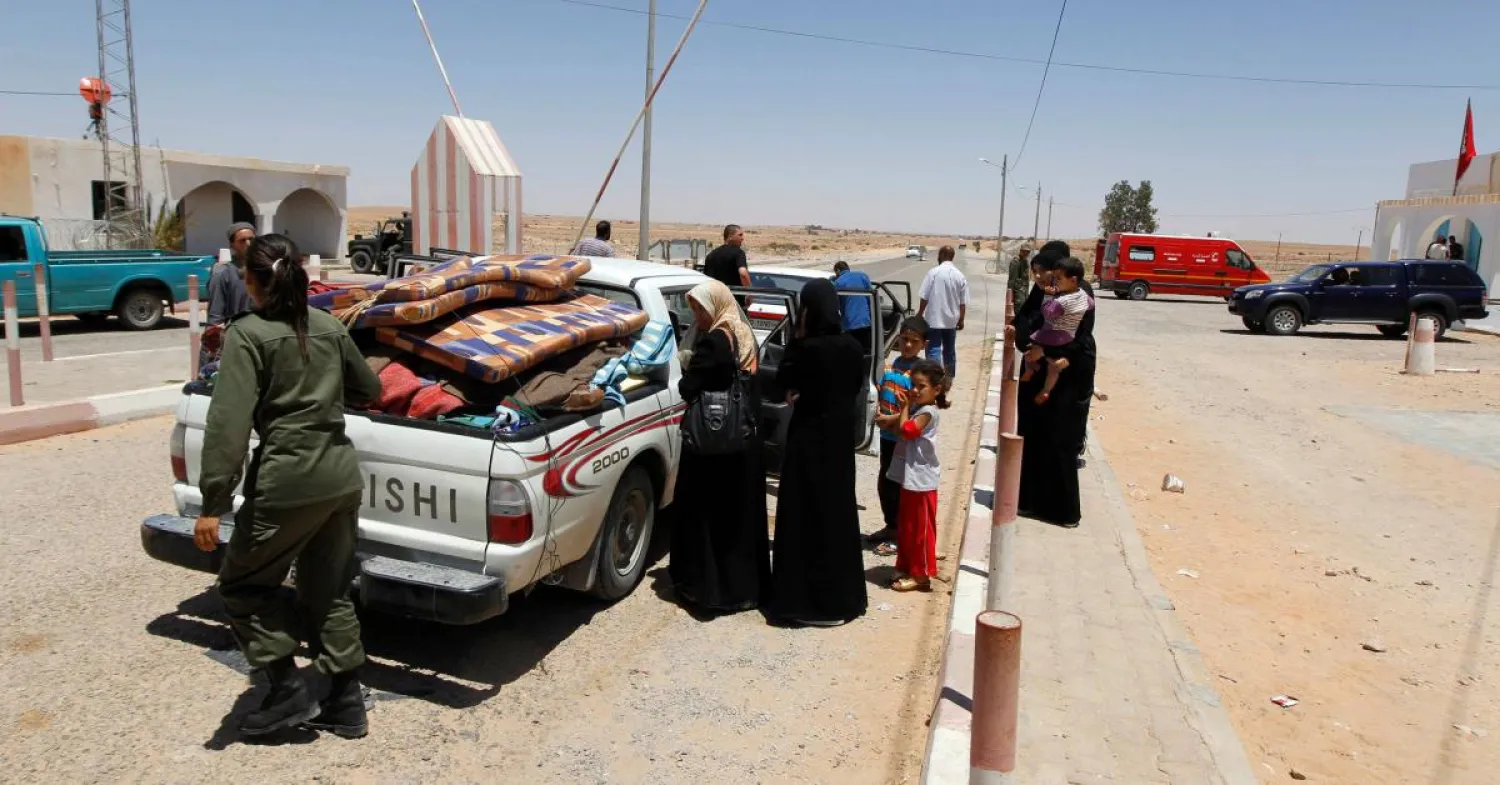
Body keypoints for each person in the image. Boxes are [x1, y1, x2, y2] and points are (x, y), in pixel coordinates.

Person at [192, 234, 383, 739]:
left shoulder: (247, 334)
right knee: (329, 591)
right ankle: (345, 702)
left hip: (286, 480)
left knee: (243, 586)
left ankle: (285, 688)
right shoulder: (328, 326)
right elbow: (369, 389)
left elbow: (228, 426)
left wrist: (213, 503)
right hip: (339, 476)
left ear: (253, 282)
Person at [767, 278, 867, 627]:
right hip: (839, 445)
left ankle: (804, 604)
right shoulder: (852, 347)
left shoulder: (806, 348)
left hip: (808, 443)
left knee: (804, 517)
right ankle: (840, 601)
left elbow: (782, 383)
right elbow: (854, 387)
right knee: (837, 516)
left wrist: (797, 338)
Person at [669, 280, 770, 614]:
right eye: (694, 309)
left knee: (707, 517)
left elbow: (688, 387)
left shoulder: (714, 341)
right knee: (737, 518)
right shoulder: (743, 332)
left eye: (701, 309)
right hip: (742, 440)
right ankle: (743, 590)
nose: (697, 316)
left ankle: (709, 592)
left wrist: (688, 367)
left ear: (715, 306)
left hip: (712, 445)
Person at [1011, 242, 1096, 527]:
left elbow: (1080, 339)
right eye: (1035, 272)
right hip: (1040, 375)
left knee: (1059, 442)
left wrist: (1044, 351)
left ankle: (1063, 512)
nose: (1039, 277)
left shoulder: (1077, 294)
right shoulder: (1049, 291)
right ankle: (1032, 502)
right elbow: (1029, 318)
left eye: (1044, 272)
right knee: (1035, 440)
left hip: (1066, 380)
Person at [886, 359, 951, 592]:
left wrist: (903, 408)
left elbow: (907, 431)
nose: (914, 390)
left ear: (936, 389)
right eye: (913, 385)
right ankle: (907, 565)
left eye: (921, 386)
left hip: (922, 481)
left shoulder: (928, 412)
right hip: (912, 478)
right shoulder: (919, 409)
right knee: (908, 527)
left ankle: (921, 575)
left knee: (921, 530)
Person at [867, 316, 928, 553]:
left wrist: (889, 420)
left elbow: (916, 411)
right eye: (904, 339)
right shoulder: (894, 365)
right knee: (885, 483)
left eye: (914, 341)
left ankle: (899, 534)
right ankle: (891, 526)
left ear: (923, 344)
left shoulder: (921, 374)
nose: (908, 345)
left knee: (899, 487)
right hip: (887, 438)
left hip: (905, 441)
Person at [1020, 257, 1092, 406]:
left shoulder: (1061, 301)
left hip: (1052, 335)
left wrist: (1048, 296)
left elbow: (1048, 313)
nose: (1055, 282)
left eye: (1058, 278)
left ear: (1073, 280)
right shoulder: (1085, 296)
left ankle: (1031, 369)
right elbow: (1090, 305)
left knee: (1030, 351)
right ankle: (1047, 389)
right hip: (1068, 336)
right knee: (1053, 369)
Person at [917, 245, 969, 378]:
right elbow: (963, 302)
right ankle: (949, 378)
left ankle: (935, 379)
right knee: (949, 351)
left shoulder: (933, 273)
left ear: (941, 255)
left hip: (933, 320)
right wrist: (961, 319)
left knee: (933, 348)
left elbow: (924, 296)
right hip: (951, 322)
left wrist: (919, 314)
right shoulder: (960, 276)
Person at [208, 223, 255, 326]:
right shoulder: (222, 272)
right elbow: (215, 314)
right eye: (242, 240)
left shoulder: (266, 268)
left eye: (251, 239)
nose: (248, 244)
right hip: (238, 330)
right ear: (232, 245)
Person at [832, 260, 875, 354]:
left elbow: (836, 305)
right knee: (865, 350)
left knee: (852, 352)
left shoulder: (838, 282)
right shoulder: (863, 276)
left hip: (849, 324)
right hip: (865, 321)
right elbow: (871, 297)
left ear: (838, 270)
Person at [704, 224, 750, 288]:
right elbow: (743, 273)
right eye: (740, 235)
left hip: (715, 292)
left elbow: (707, 278)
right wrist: (749, 289)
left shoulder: (711, 254)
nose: (742, 238)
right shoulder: (738, 253)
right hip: (734, 293)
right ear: (730, 237)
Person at [1007, 244, 1033, 316]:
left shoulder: (1025, 261)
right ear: (1020, 251)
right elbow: (1012, 279)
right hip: (1018, 291)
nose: (1026, 253)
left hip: (1024, 290)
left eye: (1028, 252)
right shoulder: (1016, 261)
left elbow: (1026, 278)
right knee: (1019, 311)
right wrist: (1010, 293)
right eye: (1024, 251)